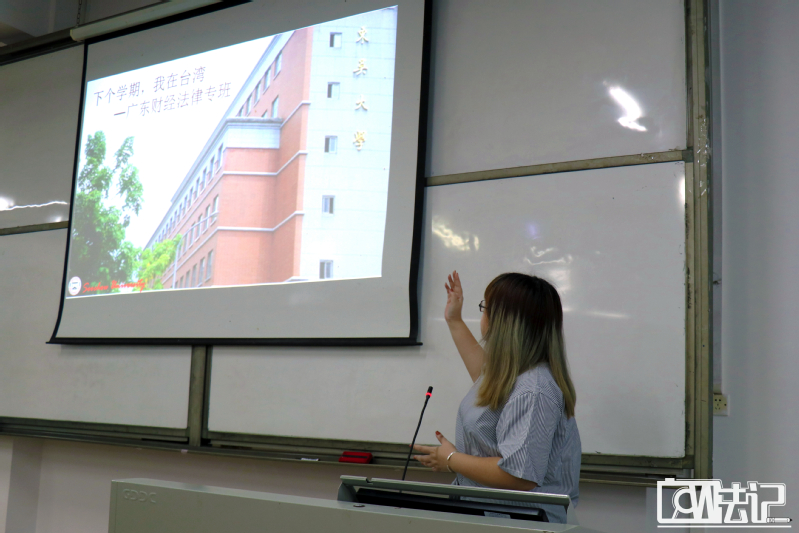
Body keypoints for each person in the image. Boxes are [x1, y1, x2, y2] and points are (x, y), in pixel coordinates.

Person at [413, 271, 581, 524]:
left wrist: (451, 459)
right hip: (495, 516)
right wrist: (454, 320)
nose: (483, 316)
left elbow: (519, 476)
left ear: (503, 321)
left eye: (485, 308)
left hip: (522, 523)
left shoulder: (534, 390)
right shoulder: (518, 375)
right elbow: (484, 378)